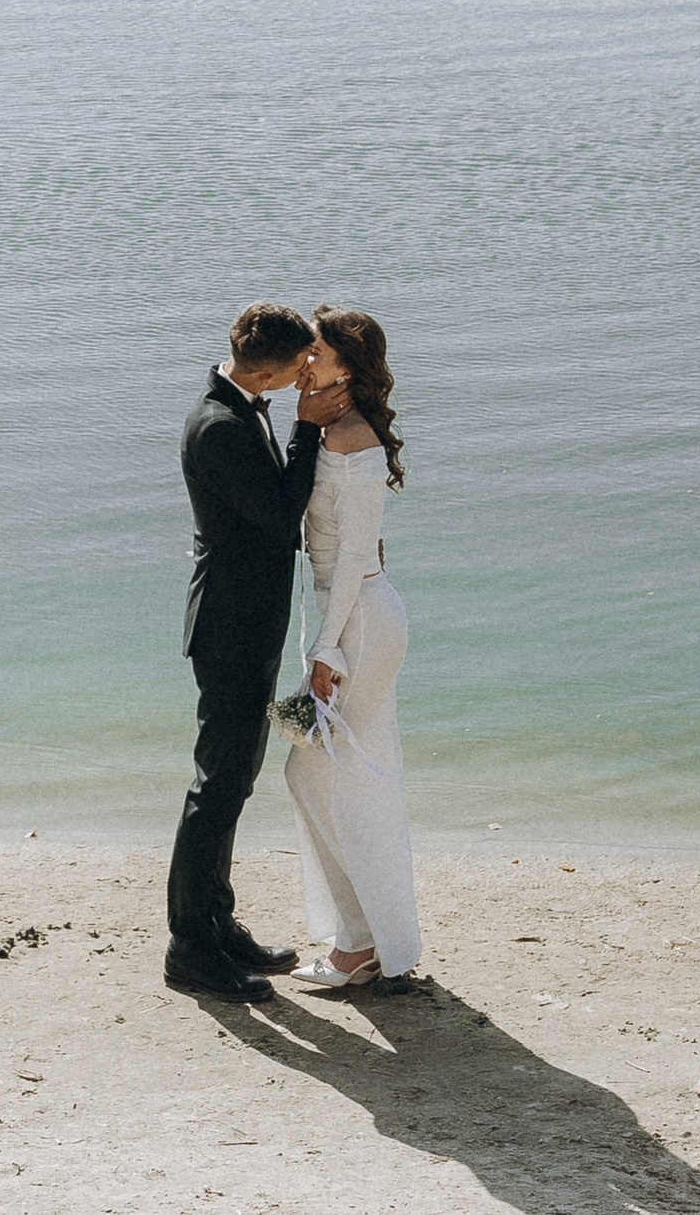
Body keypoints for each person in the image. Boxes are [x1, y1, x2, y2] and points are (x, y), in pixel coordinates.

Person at [163, 302, 322, 995]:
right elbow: (284, 514)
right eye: (301, 364)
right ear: (270, 369)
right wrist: (309, 428)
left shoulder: (239, 402)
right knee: (216, 786)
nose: (308, 373)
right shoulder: (221, 427)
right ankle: (191, 946)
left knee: (234, 781)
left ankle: (218, 924)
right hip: (229, 627)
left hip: (244, 621)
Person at [283, 306, 423, 992]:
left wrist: (327, 648)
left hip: (360, 621)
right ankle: (368, 940)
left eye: (316, 349)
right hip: (359, 612)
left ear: (347, 364)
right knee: (350, 778)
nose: (305, 357)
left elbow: (355, 557)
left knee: (319, 774)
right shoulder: (330, 431)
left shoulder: (353, 442)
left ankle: (362, 944)